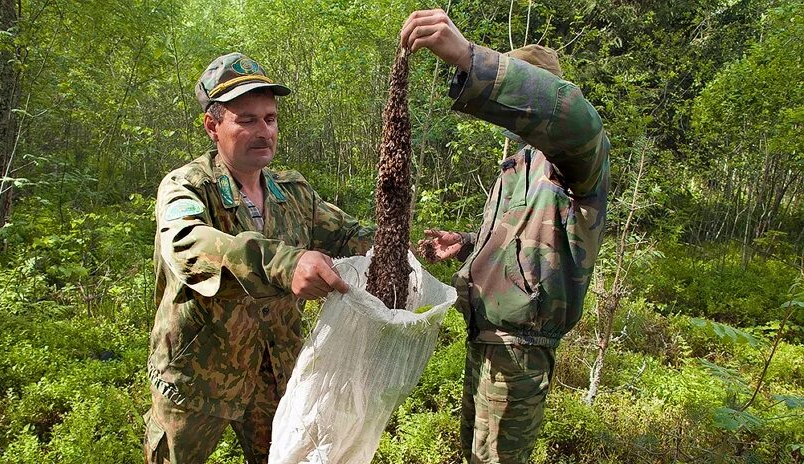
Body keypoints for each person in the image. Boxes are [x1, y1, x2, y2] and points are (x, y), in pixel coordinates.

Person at [142, 52, 374, 464]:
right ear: (213, 126)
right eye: (246, 119)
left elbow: (353, 236)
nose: (263, 130)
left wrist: (408, 247)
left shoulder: (293, 191)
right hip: (198, 375)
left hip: (276, 374)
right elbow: (186, 243)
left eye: (270, 118)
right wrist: (286, 264)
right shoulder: (187, 186)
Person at [403, 10, 610, 463]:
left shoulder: (575, 162)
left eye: (520, 93)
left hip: (522, 349)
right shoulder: (517, 167)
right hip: (486, 337)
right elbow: (526, 238)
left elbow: (577, 118)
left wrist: (470, 58)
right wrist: (468, 242)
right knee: (472, 456)